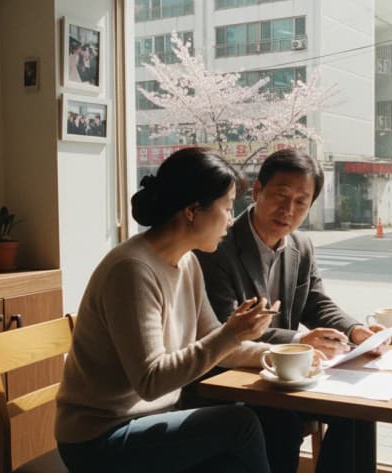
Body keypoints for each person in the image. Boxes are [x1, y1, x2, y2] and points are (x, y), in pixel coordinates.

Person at [55, 148, 276, 473]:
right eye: (227, 207)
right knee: (239, 425)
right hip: (98, 438)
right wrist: (230, 334)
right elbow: (152, 381)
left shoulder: (187, 262)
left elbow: (217, 344)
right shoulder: (132, 270)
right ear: (192, 210)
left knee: (274, 421)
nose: (231, 220)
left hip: (151, 421)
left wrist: (281, 355)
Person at [196, 148, 389, 473]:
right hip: (235, 377)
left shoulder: (301, 245)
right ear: (257, 191)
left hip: (287, 375)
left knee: (358, 412)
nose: (288, 209)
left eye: (301, 201)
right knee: (280, 421)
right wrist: (300, 341)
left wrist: (356, 330)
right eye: (280, 195)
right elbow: (226, 327)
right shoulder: (218, 245)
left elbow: (315, 301)